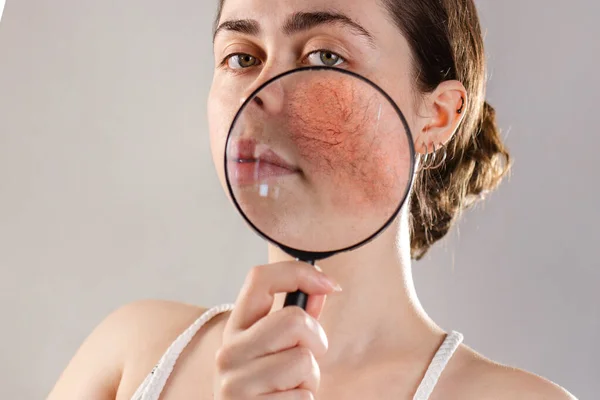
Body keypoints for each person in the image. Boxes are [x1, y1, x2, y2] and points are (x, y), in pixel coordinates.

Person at [48, 0, 577, 399]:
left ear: (436, 115)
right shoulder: (132, 351)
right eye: (241, 56)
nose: (264, 91)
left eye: (326, 55)